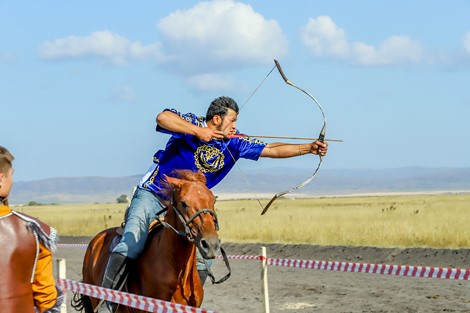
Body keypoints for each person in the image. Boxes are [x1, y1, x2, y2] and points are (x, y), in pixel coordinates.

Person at [97, 96, 328, 312]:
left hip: (189, 207)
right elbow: (162, 118)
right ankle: (108, 304)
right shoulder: (191, 124)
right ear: (216, 119)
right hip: (154, 194)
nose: (235, 126)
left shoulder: (235, 143)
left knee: (205, 254)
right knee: (131, 245)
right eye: (232, 120)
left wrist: (308, 148)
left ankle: (189, 302)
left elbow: (272, 149)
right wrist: (199, 131)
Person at [0, 146, 64, 313]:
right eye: (11, 175)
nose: (12, 181)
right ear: (0, 179)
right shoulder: (33, 230)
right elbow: (46, 297)